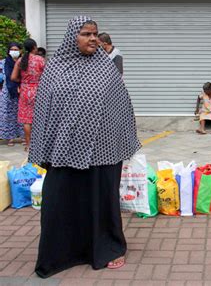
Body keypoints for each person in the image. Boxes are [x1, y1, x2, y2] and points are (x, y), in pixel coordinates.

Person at [29, 16, 140, 278]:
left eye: (95, 34)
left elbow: (121, 108)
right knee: (60, 201)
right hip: (63, 151)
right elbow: (44, 111)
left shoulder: (106, 68)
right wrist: (43, 148)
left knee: (102, 202)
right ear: (72, 37)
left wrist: (120, 141)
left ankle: (109, 248)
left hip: (103, 151)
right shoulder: (55, 68)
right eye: (86, 34)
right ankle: (62, 251)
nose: (93, 39)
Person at [11, 38, 46, 151]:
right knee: (40, 117)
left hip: (25, 90)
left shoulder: (20, 60)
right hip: (39, 90)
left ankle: (28, 145)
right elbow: (47, 76)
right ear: (34, 47)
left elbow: (13, 77)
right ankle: (40, 144)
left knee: (27, 120)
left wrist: (23, 82)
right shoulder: (40, 60)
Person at [0, 43, 24, 145]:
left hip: (21, 90)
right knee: (8, 115)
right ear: (9, 51)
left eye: (16, 49)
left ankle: (23, 137)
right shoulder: (3, 63)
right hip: (7, 92)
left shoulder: (23, 62)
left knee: (21, 114)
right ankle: (9, 138)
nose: (14, 51)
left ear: (20, 51)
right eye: (12, 49)